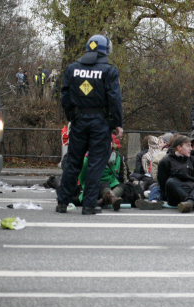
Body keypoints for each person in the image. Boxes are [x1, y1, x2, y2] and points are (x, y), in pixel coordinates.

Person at [56, 35, 123, 215]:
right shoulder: (109, 71)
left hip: (78, 121)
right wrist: (117, 123)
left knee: (73, 162)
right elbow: (114, 99)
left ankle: (62, 202)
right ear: (106, 50)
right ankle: (89, 204)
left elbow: (65, 96)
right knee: (96, 163)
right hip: (99, 123)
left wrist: (72, 116)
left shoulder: (72, 69)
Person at [156, 135, 194, 213]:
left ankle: (190, 202)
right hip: (175, 195)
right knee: (170, 182)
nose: (191, 149)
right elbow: (162, 183)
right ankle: (193, 203)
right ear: (179, 147)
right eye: (188, 146)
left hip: (192, 192)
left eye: (191, 146)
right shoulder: (165, 161)